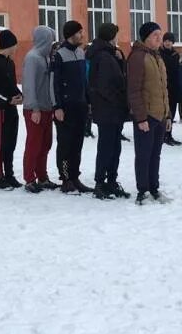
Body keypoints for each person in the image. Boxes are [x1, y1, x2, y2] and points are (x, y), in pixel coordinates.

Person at [128, 22, 171, 205]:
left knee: (156, 154)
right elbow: (134, 90)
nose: (159, 39)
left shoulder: (157, 57)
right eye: (155, 35)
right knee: (144, 154)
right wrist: (140, 117)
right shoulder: (138, 57)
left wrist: (168, 114)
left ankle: (154, 187)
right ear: (146, 37)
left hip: (160, 115)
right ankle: (143, 190)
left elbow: (164, 89)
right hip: (147, 116)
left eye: (160, 35)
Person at [87, 23, 131, 200]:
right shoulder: (103, 56)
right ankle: (101, 183)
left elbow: (119, 76)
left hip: (111, 109)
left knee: (114, 146)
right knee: (107, 147)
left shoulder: (109, 54)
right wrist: (118, 101)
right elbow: (105, 85)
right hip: (108, 109)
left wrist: (121, 60)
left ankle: (111, 181)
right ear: (111, 37)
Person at [52, 21, 92, 194]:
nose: (82, 35)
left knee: (78, 143)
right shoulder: (59, 55)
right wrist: (57, 106)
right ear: (70, 34)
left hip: (80, 105)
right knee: (65, 144)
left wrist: (88, 100)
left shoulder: (81, 52)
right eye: (79, 32)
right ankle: (66, 178)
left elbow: (85, 80)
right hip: (65, 107)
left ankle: (75, 176)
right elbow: (53, 83)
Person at [21, 26, 57, 193]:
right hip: (34, 109)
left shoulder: (46, 58)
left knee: (45, 144)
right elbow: (29, 85)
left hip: (47, 107)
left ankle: (42, 176)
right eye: (50, 40)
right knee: (34, 145)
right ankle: (29, 178)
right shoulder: (32, 58)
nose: (52, 44)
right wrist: (34, 107)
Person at [0, 30, 22, 190]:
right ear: (9, 45)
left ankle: (9, 174)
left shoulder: (10, 62)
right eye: (15, 45)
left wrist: (19, 95)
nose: (17, 48)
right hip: (0, 109)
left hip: (11, 108)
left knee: (11, 142)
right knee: (1, 143)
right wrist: (7, 100)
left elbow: (11, 84)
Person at [159, 33, 182, 146]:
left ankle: (169, 134)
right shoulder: (158, 54)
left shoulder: (175, 55)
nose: (167, 43)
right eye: (166, 40)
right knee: (163, 113)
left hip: (173, 88)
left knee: (172, 111)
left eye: (170, 41)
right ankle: (162, 135)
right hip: (162, 87)